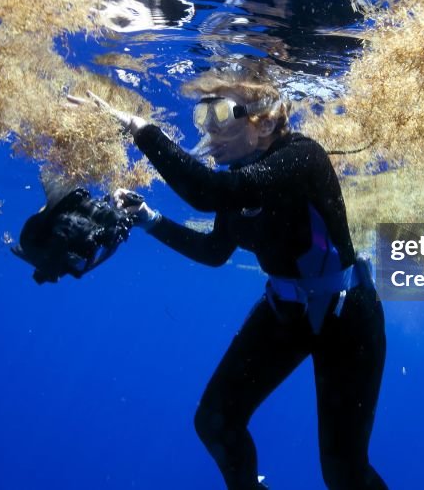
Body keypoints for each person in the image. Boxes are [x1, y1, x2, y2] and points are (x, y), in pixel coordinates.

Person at [67, 71, 388, 490]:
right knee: (216, 422)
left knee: (344, 470)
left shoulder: (301, 158)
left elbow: (209, 192)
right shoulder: (240, 175)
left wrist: (141, 129)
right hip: (285, 312)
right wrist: (149, 220)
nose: (209, 129)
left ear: (267, 122)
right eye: (203, 115)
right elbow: (213, 253)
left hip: (347, 319)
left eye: (220, 113)